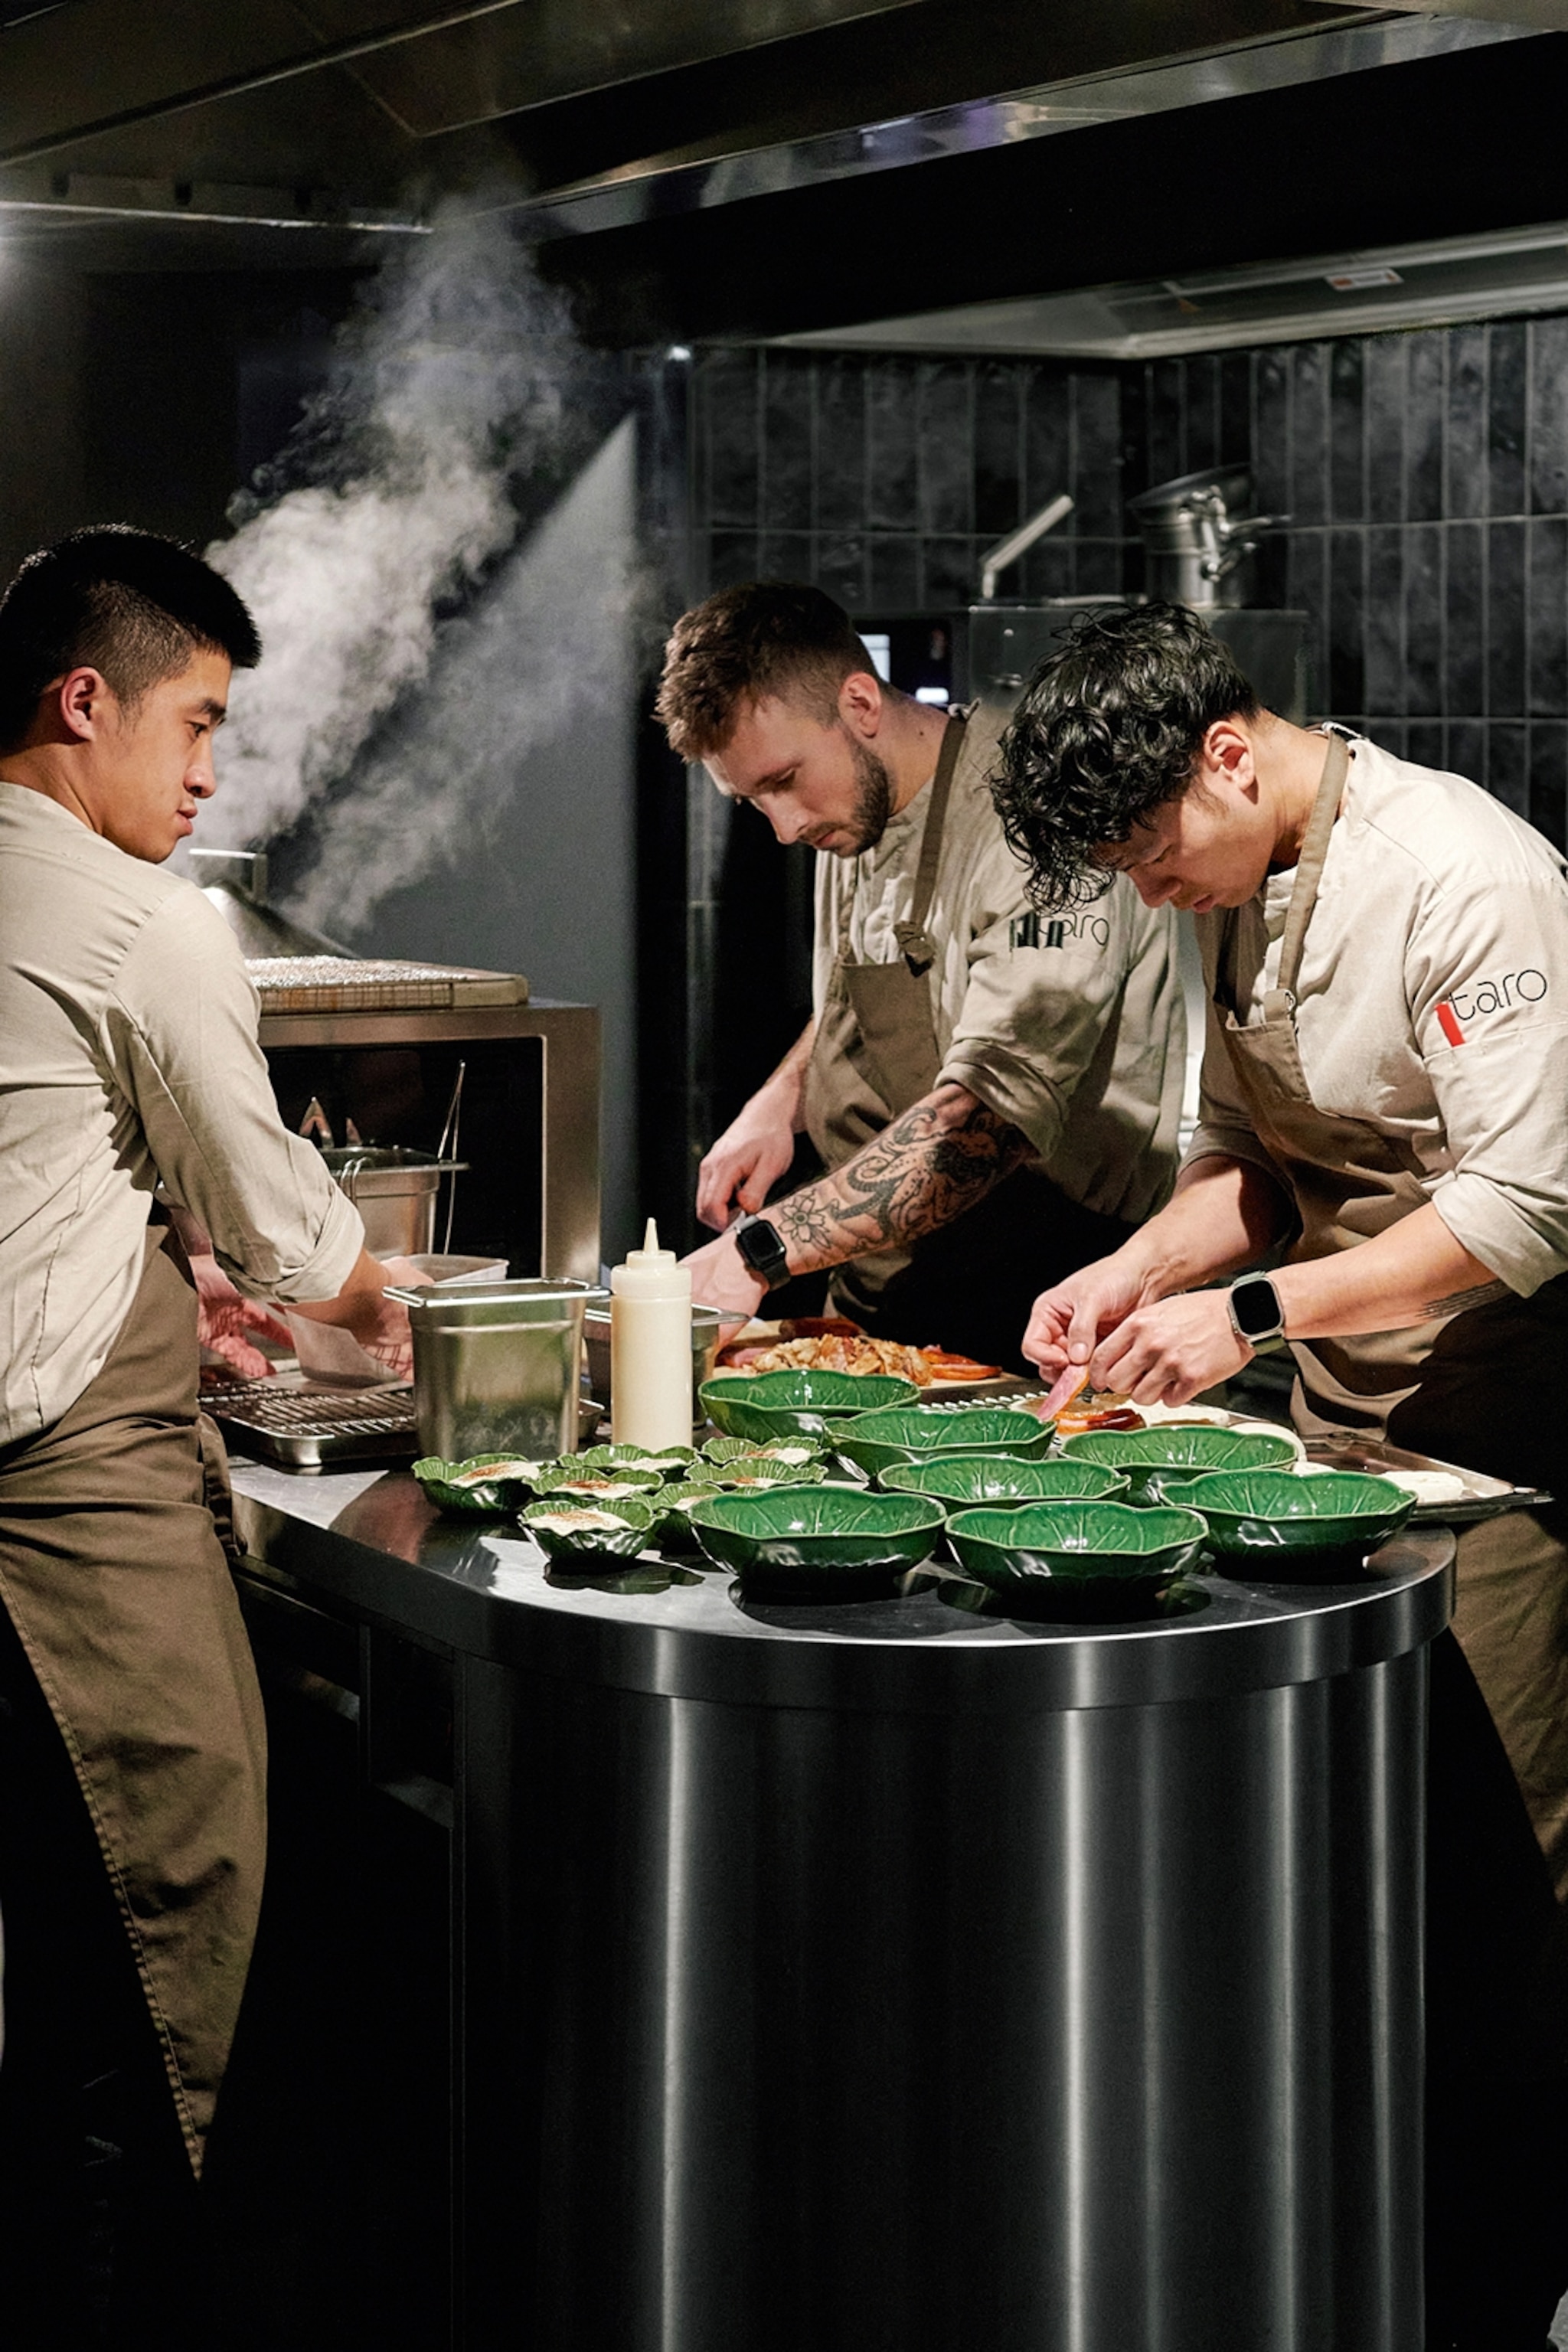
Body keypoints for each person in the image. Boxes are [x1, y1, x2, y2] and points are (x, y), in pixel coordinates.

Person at [993, 599, 1568, 2347]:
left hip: (1494, 1462)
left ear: (1229, 751)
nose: (1146, 888)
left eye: (1148, 845)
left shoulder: (1467, 874)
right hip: (1325, 1460)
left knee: (1498, 1896)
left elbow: (1525, 1202)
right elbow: (1241, 1159)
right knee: (1348, 1890)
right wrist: (1136, 1273)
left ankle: (1500, 2282)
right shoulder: (1228, 881)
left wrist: (1242, 1307)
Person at [0, 528, 415, 2341]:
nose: (206, 771)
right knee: (173, 1959)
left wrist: (158, 1249)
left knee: (50, 1966)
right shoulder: (144, 914)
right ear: (81, 700)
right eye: (193, 720)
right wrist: (392, 1306)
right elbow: (298, 1226)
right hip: (67, 1505)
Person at [655, 583, 1186, 1370]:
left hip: (1046, 1300)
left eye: (783, 780)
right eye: (752, 800)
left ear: (860, 701)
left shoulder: (1038, 818)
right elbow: (856, 988)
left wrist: (760, 1250)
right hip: (888, 1287)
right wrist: (781, 1099)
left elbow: (986, 1122)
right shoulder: (852, 815)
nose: (784, 827)